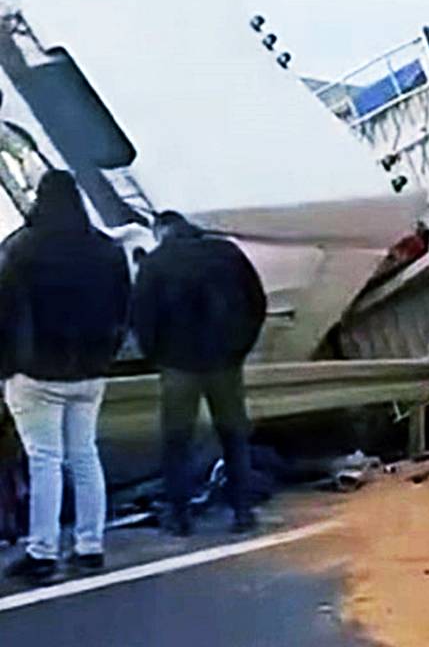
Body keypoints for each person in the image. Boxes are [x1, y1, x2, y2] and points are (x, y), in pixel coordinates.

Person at [0, 171, 130, 583]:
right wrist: (107, 356)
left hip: (36, 371)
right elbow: (123, 310)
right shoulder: (107, 251)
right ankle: (90, 546)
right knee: (85, 456)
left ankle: (43, 551)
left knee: (45, 461)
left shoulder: (19, 250)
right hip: (90, 372)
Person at [132, 211, 266, 535]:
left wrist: (158, 357)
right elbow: (257, 302)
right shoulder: (227, 252)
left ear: (161, 231)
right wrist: (240, 347)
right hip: (226, 362)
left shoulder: (155, 263)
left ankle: (180, 516)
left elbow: (141, 318)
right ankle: (243, 512)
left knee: (176, 442)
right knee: (233, 437)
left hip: (179, 366)